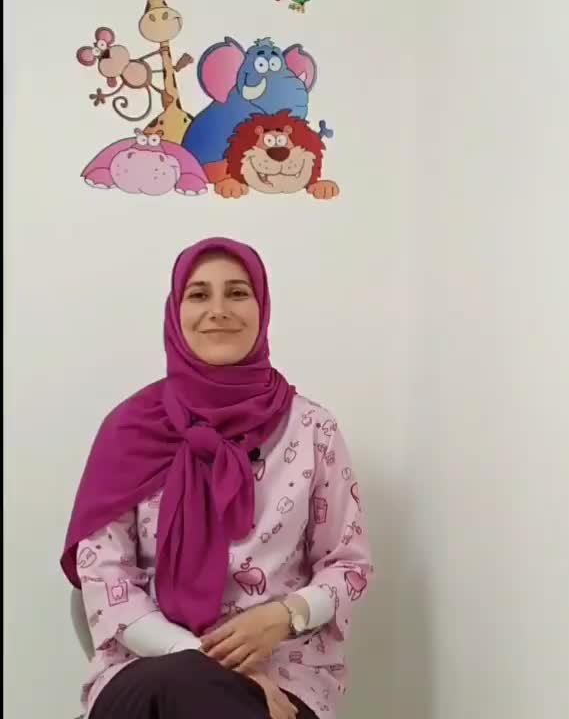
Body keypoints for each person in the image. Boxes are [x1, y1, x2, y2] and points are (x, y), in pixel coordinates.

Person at [61, 238, 373, 719]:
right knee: (183, 686)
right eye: (199, 294)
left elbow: (347, 564)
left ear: (262, 307)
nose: (219, 310)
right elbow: (105, 578)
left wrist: (284, 615)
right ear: (176, 312)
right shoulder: (129, 430)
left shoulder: (313, 430)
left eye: (238, 292)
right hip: (147, 668)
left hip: (283, 673)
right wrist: (209, 664)